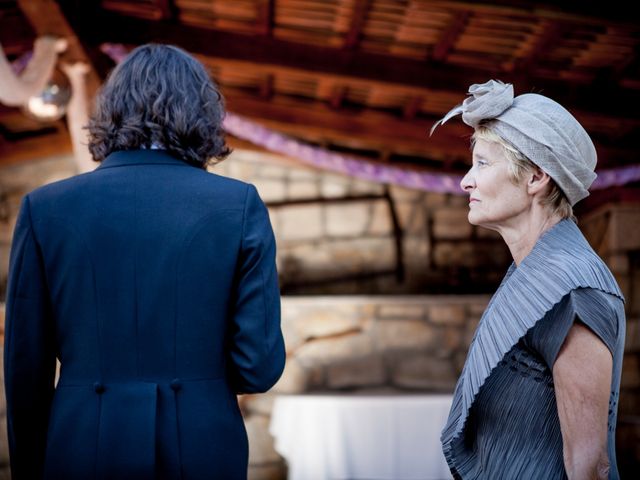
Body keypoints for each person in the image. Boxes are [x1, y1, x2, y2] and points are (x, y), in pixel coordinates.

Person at [4, 44, 285, 479]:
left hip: (80, 446)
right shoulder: (238, 205)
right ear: (201, 113)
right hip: (200, 445)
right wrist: (197, 376)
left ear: (110, 111)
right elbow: (258, 366)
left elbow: (25, 371)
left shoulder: (44, 209)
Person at [431, 80, 625, 479]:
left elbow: (589, 465)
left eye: (483, 164)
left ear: (536, 177)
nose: (466, 181)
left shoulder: (572, 289)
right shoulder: (533, 270)